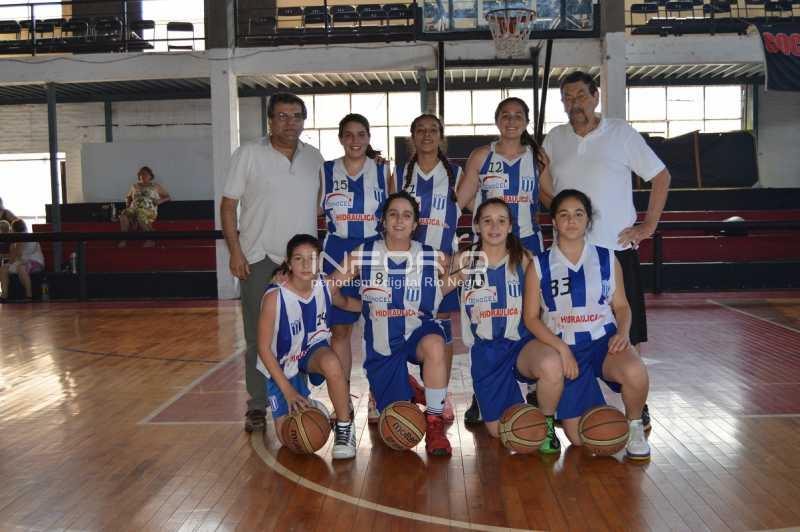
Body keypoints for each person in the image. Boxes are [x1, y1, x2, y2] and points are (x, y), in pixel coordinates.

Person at [540, 70, 671, 431]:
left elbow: (661, 177)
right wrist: (563, 213)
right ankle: (561, 392)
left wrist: (648, 226)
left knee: (630, 330)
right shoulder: (555, 139)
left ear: (595, 97)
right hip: (568, 256)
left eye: (581, 96)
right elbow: (544, 188)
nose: (575, 104)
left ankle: (637, 404)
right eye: (568, 98)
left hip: (615, 249)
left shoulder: (620, 133)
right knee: (565, 325)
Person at [221, 92, 325, 434]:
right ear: (270, 120)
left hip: (301, 264)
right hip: (258, 258)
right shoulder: (249, 154)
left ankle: (298, 396)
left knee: (301, 335)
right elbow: (228, 206)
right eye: (282, 116)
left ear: (304, 121)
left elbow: (319, 205)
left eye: (296, 116)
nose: (290, 122)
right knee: (258, 337)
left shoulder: (314, 158)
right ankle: (257, 404)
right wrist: (235, 251)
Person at [524, 189, 651, 460]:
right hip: (566, 346)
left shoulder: (607, 259)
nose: (571, 220)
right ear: (554, 222)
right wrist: (561, 349)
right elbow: (530, 318)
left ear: (588, 221)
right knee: (581, 438)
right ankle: (555, 421)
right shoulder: (539, 264)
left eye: (578, 214)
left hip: (603, 342)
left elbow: (622, 306)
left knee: (636, 370)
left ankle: (635, 427)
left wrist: (623, 333)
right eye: (564, 215)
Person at [329, 191, 453, 456]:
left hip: (417, 333)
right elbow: (330, 286)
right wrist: (343, 301)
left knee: (435, 344)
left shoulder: (430, 256)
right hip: (382, 345)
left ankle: (434, 422)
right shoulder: (364, 253)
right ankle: (407, 386)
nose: (399, 220)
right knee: (398, 426)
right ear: (383, 221)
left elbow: (457, 277)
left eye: (407, 215)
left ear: (415, 224)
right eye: (393, 214)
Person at [456, 97, 552, 423]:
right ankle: (482, 392)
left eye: (518, 115)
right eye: (506, 115)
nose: (511, 121)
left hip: (528, 242)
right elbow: (462, 199)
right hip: (491, 242)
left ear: (526, 121)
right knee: (485, 313)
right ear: (497, 120)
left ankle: (536, 386)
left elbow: (549, 196)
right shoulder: (482, 156)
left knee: (531, 312)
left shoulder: (537, 157)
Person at [446, 198, 562, 453]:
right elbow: (435, 294)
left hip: (522, 345)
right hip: (487, 351)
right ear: (477, 226)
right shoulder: (465, 261)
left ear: (510, 226)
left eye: (501, 221)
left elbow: (546, 305)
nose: (494, 227)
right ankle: (509, 407)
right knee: (501, 431)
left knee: (552, 363)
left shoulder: (525, 259)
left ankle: (548, 425)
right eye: (487, 221)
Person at [256, 234, 357, 459]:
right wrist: (288, 391)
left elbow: (355, 263)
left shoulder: (326, 286)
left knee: (332, 362)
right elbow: (263, 349)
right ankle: (312, 406)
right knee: (291, 438)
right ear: (288, 262)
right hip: (281, 364)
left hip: (311, 353)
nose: (305, 264)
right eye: (298, 259)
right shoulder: (275, 298)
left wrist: (377, 305)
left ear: (320, 261)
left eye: (311, 258)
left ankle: (344, 427)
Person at [319, 113, 390, 419]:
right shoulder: (326, 171)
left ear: (369, 137)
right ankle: (342, 398)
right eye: (348, 134)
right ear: (340, 138)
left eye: (361, 134)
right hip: (337, 251)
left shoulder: (383, 170)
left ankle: (377, 395)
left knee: (378, 328)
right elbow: (314, 212)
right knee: (340, 329)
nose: (355, 140)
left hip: (374, 251)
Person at [395, 113, 460, 423]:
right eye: (420, 130)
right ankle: (394, 388)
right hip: (405, 264)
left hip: (442, 264)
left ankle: (440, 394)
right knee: (396, 322)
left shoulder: (457, 174)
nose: (426, 135)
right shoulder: (399, 174)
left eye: (433, 130)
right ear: (412, 137)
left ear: (441, 136)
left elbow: (472, 211)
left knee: (442, 326)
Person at [118, 166, 171, 247]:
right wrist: (128, 204)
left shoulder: (155, 186)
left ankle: (150, 239)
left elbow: (168, 197)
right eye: (141, 174)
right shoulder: (134, 186)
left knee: (140, 215)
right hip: (134, 208)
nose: (143, 175)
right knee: (123, 215)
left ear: (150, 176)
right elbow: (128, 197)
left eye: (146, 174)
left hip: (148, 210)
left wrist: (159, 201)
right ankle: (124, 239)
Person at [0, 219, 45, 302]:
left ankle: (29, 295)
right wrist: (13, 247)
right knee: (3, 268)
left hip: (34, 262)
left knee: (21, 268)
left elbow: (22, 256)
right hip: (19, 263)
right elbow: (12, 260)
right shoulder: (14, 242)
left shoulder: (31, 239)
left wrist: (18, 246)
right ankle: (4, 295)